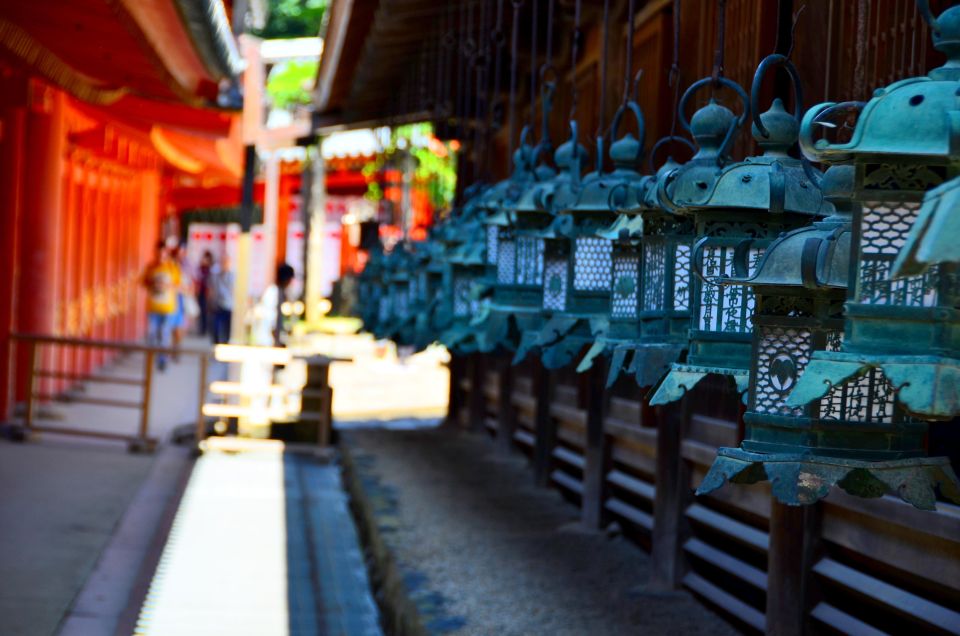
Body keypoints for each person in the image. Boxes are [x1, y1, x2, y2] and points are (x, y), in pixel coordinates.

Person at [142, 240, 180, 371]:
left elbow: (178, 284)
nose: (160, 256)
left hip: (168, 307)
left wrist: (166, 285)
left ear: (166, 253)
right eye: (158, 253)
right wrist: (153, 284)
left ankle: (163, 359)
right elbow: (144, 282)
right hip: (153, 306)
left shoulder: (171, 267)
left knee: (164, 333)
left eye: (162, 253)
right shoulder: (151, 267)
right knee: (152, 334)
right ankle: (152, 358)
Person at [252, 263, 295, 347]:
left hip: (272, 338)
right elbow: (269, 316)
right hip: (266, 338)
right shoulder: (273, 292)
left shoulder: (282, 292)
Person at [211, 253, 235, 345]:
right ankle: (216, 345)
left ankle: (226, 344)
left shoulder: (233, 276)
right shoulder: (216, 275)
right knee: (216, 327)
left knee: (227, 329)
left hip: (229, 305)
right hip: (218, 305)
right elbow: (213, 289)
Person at [195, 250, 214, 336]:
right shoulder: (200, 269)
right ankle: (202, 328)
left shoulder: (211, 270)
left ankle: (207, 329)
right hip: (201, 293)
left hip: (208, 294)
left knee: (207, 312)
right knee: (201, 312)